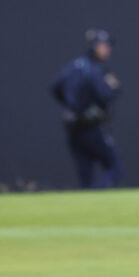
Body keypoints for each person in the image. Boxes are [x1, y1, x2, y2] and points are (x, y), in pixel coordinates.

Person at [51, 28, 121, 188]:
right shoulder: (93, 69)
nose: (107, 49)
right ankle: (96, 198)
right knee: (115, 167)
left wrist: (71, 105)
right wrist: (113, 87)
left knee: (85, 177)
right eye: (104, 45)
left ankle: (86, 203)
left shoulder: (73, 66)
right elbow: (104, 95)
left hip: (72, 126)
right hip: (91, 126)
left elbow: (55, 88)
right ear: (94, 46)